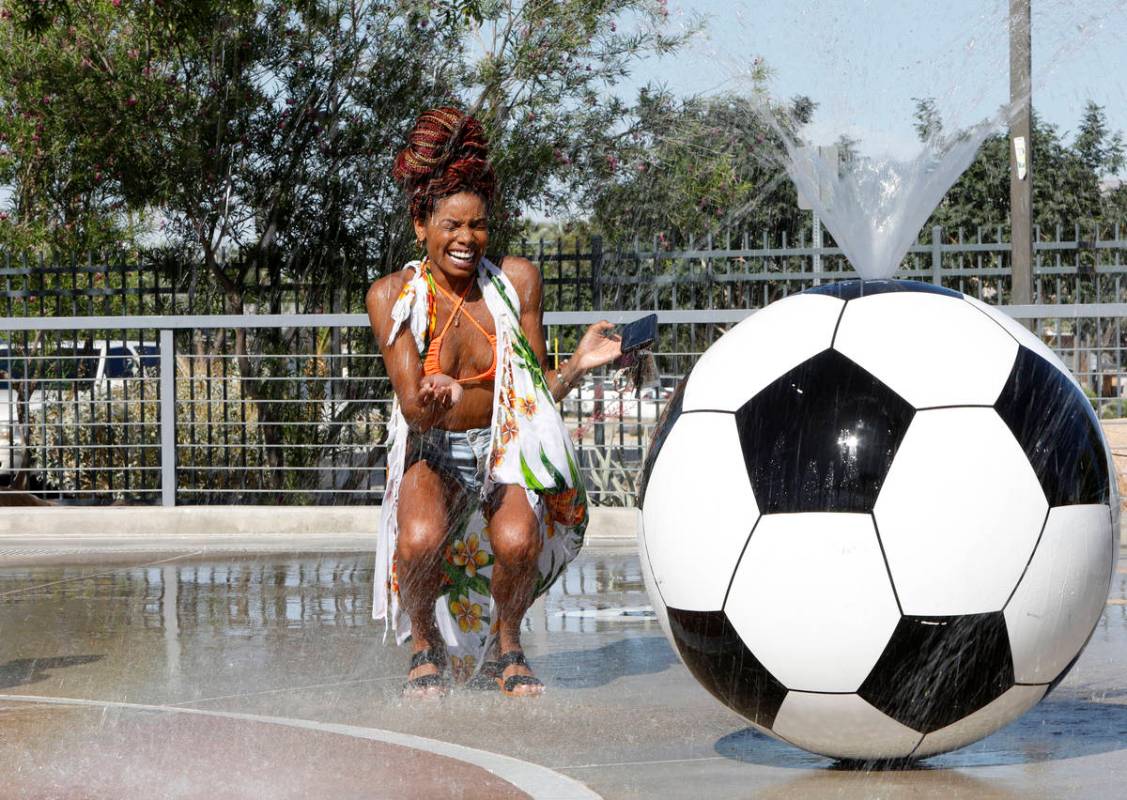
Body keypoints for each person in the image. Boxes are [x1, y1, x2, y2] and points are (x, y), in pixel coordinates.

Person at [366, 107, 622, 698]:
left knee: (515, 541)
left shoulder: (517, 283)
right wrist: (438, 398)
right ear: (420, 223)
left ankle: (508, 645)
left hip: (504, 446)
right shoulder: (392, 296)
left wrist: (579, 364)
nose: (465, 240)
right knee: (422, 537)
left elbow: (534, 399)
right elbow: (413, 409)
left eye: (477, 226)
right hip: (432, 447)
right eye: (451, 225)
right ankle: (425, 642)